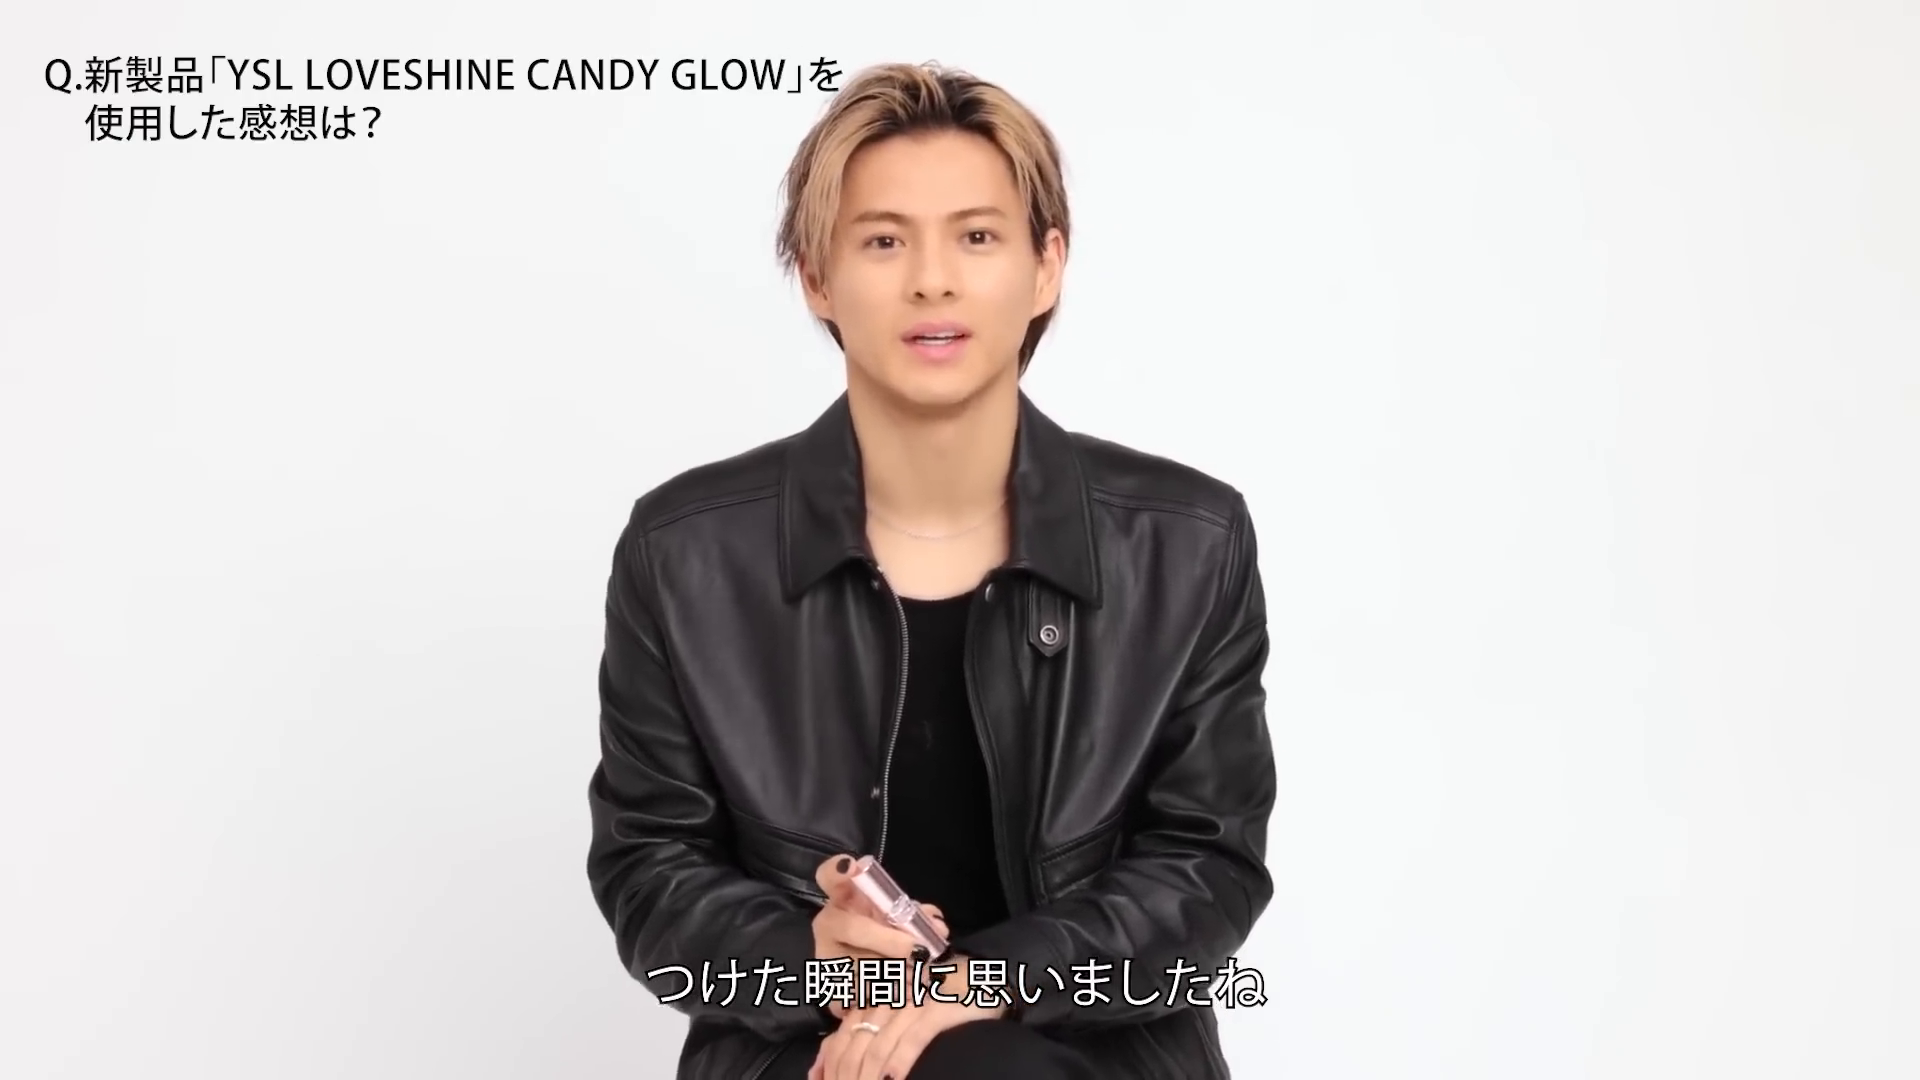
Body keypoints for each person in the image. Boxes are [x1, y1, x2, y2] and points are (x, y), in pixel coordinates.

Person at [586, 61, 1276, 1080]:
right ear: (816, 276)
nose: (932, 280)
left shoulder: (1186, 544)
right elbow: (650, 869)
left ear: (1046, 267)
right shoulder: (686, 554)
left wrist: (982, 983)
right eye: (883, 240)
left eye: (977, 236)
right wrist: (810, 960)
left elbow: (1206, 871)